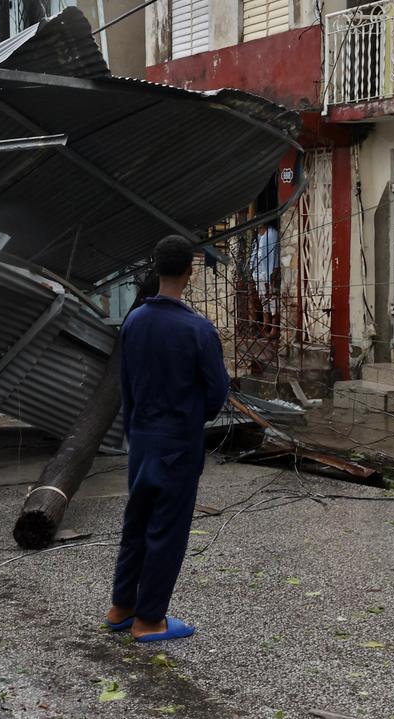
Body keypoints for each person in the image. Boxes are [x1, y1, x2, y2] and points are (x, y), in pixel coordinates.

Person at [105, 236, 230, 643]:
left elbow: (125, 385)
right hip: (178, 441)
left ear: (156, 269)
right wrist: (191, 418)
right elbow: (216, 393)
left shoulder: (135, 321)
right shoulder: (198, 329)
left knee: (137, 522)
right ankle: (150, 620)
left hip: (141, 437)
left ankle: (121, 607)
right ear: (190, 273)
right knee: (168, 530)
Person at [249, 222, 280, 337]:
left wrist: (273, 274)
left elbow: (275, 255)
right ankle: (265, 326)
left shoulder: (272, 234)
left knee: (272, 300)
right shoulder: (258, 237)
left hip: (269, 273)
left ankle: (274, 329)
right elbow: (255, 254)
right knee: (263, 300)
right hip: (258, 274)